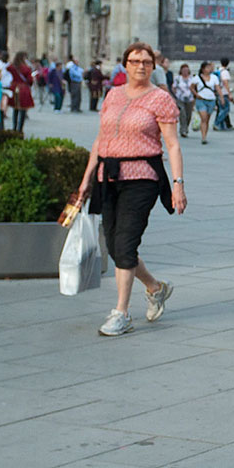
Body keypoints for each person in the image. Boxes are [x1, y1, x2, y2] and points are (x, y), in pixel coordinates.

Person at [78, 42, 187, 337]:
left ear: (154, 66)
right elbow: (100, 140)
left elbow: (173, 144)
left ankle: (121, 312)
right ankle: (155, 287)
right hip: (108, 176)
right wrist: (86, 179)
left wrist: (178, 184)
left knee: (125, 243)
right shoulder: (112, 95)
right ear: (125, 64)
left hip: (142, 177)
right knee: (114, 247)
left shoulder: (161, 99)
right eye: (135, 60)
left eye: (146, 62)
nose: (141, 66)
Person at [8, 51, 34, 134]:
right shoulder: (26, 68)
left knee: (15, 110)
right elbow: (30, 80)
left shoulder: (11, 67)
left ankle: (14, 127)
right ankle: (20, 129)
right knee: (23, 110)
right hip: (23, 89)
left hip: (14, 87)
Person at [193, 64, 217, 146]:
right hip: (201, 99)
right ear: (203, 69)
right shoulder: (197, 78)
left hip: (211, 100)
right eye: (207, 67)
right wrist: (196, 94)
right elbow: (191, 87)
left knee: (207, 119)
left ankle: (205, 134)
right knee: (204, 118)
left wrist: (221, 98)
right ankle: (203, 137)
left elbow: (217, 88)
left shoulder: (214, 77)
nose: (209, 69)